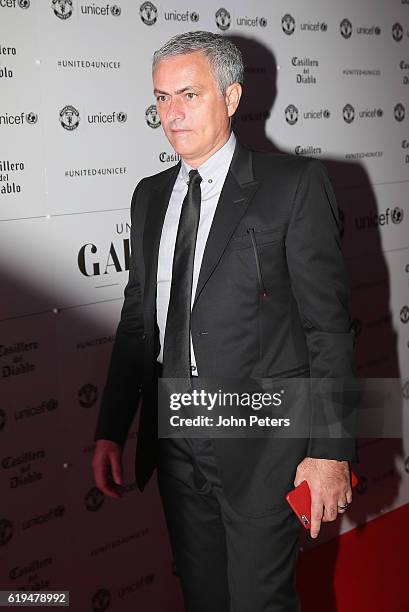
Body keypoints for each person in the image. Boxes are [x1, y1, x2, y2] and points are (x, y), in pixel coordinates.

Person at [92, 31, 358, 612]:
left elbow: (329, 329)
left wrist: (331, 450)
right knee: (204, 597)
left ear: (232, 97)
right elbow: (139, 320)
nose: (172, 113)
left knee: (261, 602)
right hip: (175, 441)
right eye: (161, 98)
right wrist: (112, 426)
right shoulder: (149, 197)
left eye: (189, 94)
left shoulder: (293, 187)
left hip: (264, 444)